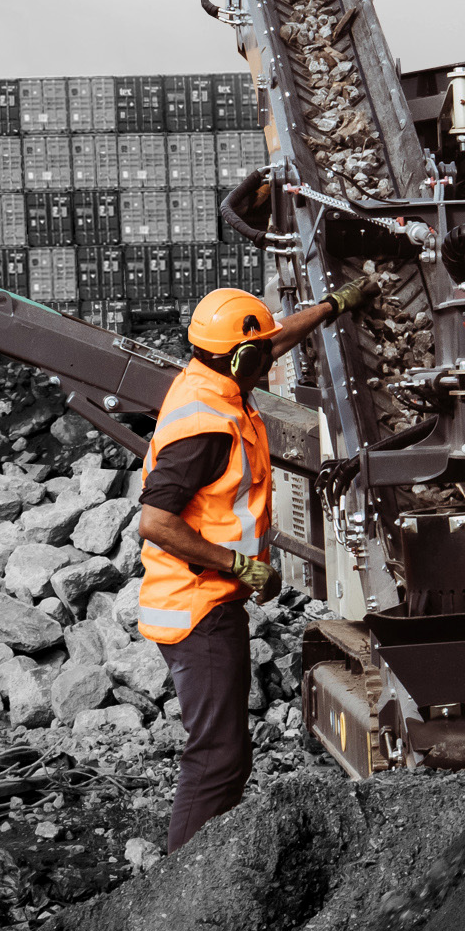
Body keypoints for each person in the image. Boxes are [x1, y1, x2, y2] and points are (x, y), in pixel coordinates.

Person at [137, 277, 378, 851]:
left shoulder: (210, 379)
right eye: (261, 354)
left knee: (223, 751)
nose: (271, 359)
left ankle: (197, 871)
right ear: (240, 357)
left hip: (202, 601)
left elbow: (269, 340)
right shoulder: (205, 428)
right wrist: (243, 569)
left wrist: (334, 305)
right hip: (200, 606)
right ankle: (183, 886)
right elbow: (155, 522)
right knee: (218, 757)